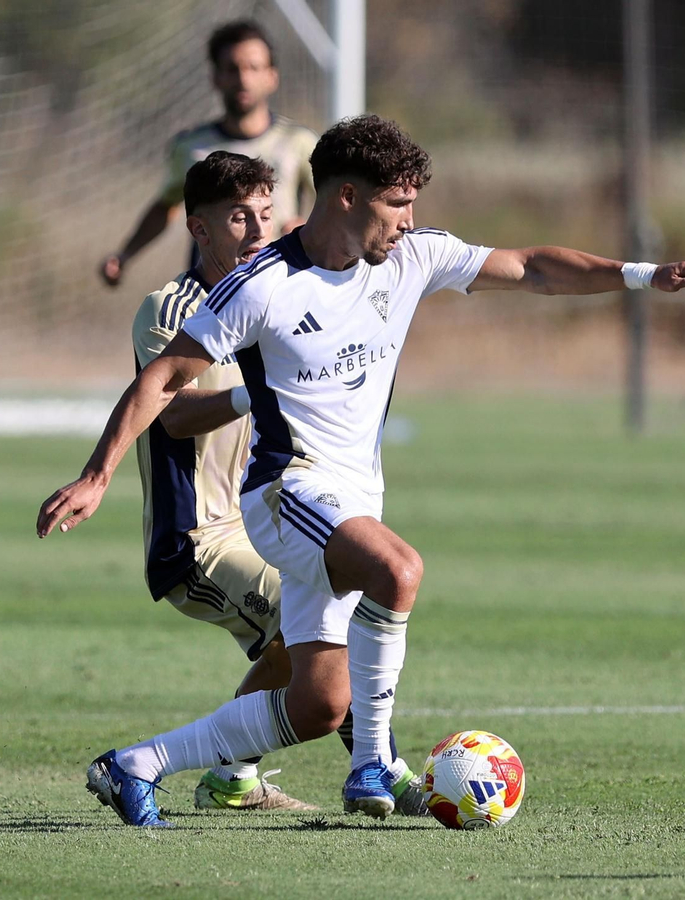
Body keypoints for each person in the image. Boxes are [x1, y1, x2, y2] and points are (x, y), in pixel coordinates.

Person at [39, 115, 685, 827]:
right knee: (398, 570)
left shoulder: (412, 257)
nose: (409, 220)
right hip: (285, 492)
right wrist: (97, 475)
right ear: (345, 196)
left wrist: (645, 275)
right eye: (397, 204)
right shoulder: (262, 285)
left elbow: (531, 268)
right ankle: (374, 765)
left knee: (316, 705)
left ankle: (135, 765)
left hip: (354, 497)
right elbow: (162, 379)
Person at [122, 149, 428, 816]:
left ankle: (231, 777)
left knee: (326, 638)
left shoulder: (285, 290)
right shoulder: (170, 308)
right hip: (200, 538)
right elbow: (171, 414)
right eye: (239, 217)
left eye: (266, 212)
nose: (259, 229)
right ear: (199, 229)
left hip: (271, 518)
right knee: (329, 637)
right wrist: (255, 397)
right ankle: (383, 770)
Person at [100, 20, 317, 288]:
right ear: (215, 77)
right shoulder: (192, 147)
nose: (243, 79)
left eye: (253, 67)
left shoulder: (298, 142)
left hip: (279, 286)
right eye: (233, 69)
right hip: (211, 291)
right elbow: (166, 207)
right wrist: (124, 255)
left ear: (272, 76)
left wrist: (306, 230)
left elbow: (333, 204)